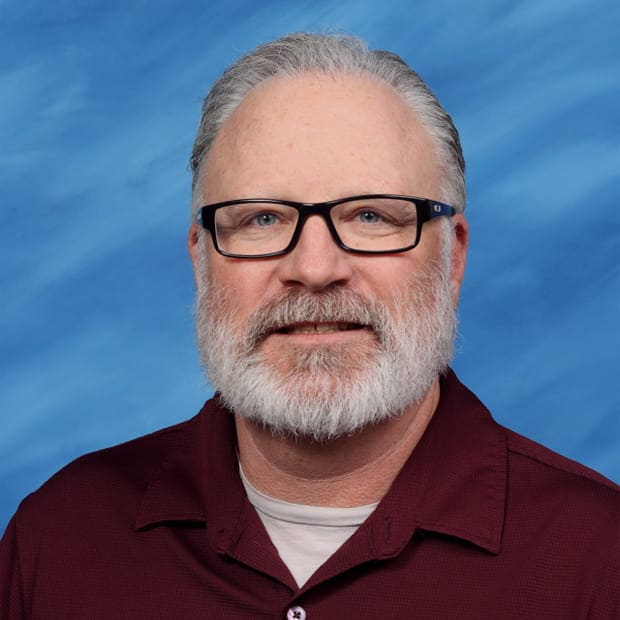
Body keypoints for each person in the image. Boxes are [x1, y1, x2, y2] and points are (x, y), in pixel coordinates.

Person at [1, 33, 618, 619]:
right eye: (263, 219)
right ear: (200, 258)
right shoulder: (58, 539)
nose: (315, 269)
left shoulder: (599, 559)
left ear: (452, 257)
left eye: (372, 215)